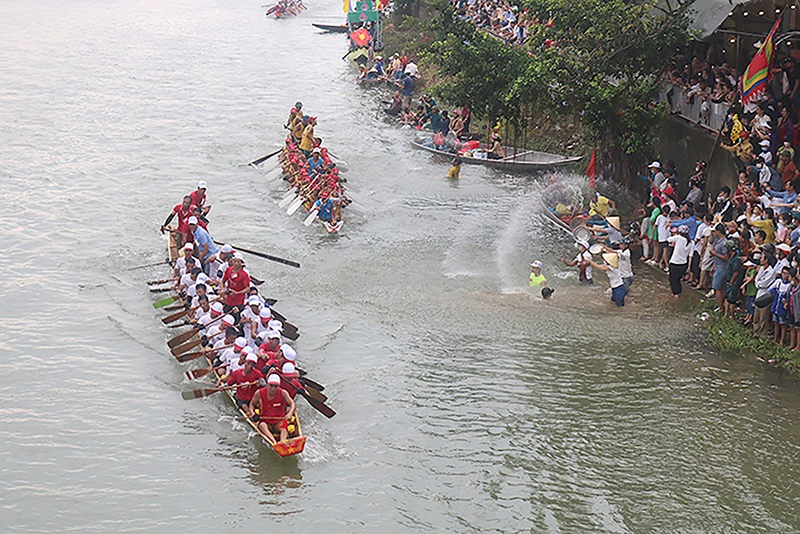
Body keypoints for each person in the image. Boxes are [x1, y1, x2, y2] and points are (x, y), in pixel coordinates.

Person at [249, 373, 296, 445]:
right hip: (266, 422)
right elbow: (252, 405)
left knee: (283, 426)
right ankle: (274, 443)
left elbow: (292, 404)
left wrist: (290, 414)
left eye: (276, 386)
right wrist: (253, 414)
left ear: (279, 386)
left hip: (278, 422)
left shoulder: (283, 393)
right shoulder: (259, 393)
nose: (273, 389)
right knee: (262, 425)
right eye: (271, 386)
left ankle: (282, 442)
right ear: (268, 384)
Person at [770, 266, 794, 345]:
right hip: (775, 306)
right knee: (776, 323)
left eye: (786, 273)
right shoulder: (778, 282)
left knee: (783, 324)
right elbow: (770, 290)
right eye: (783, 273)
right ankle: (775, 339)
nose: (784, 275)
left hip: (782, 308)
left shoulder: (789, 285)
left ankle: (782, 341)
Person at [708, 224, 730, 311]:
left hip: (722, 268)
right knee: (721, 287)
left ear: (719, 231)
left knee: (717, 288)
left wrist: (714, 253)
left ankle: (721, 307)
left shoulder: (724, 242)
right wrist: (713, 267)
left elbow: (725, 257)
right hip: (717, 266)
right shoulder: (718, 240)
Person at [667, 225, 692, 298]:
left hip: (675, 263)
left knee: (673, 280)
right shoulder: (691, 242)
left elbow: (668, 239)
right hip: (683, 264)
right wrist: (689, 267)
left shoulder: (679, 238)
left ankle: (676, 296)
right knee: (678, 280)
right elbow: (690, 256)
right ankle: (679, 294)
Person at [723, 241, 744, 318]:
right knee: (726, 297)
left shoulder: (736, 259)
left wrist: (732, 281)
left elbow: (736, 271)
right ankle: (726, 314)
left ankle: (732, 315)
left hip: (734, 281)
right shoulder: (732, 257)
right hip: (729, 280)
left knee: (732, 299)